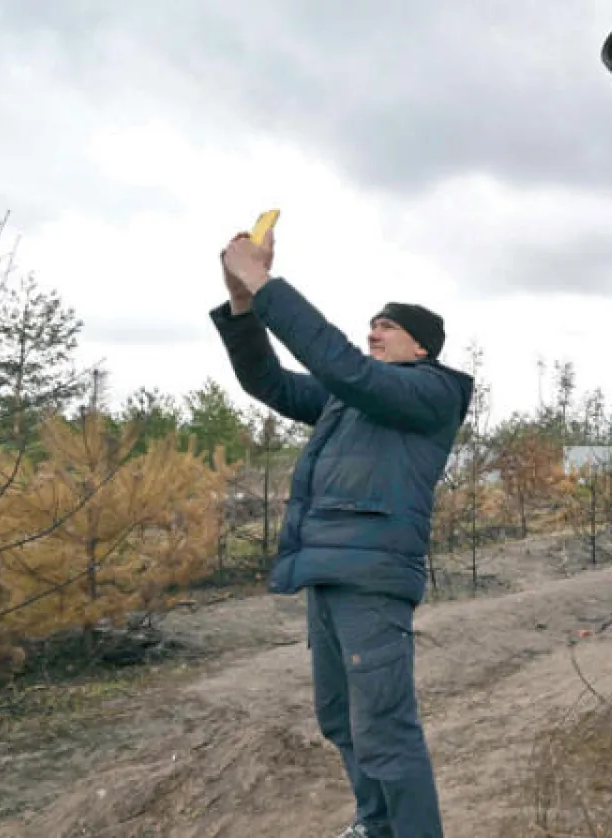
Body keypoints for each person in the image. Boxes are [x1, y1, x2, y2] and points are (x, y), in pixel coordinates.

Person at [211, 230, 473, 838]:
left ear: (422, 347)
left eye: (386, 326)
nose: (372, 331)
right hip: (326, 577)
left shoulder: (430, 392)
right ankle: (375, 825)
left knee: (385, 728)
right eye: (371, 324)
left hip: (373, 581)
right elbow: (269, 384)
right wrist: (243, 305)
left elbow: (345, 367)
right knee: (341, 720)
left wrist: (267, 284)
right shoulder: (350, 401)